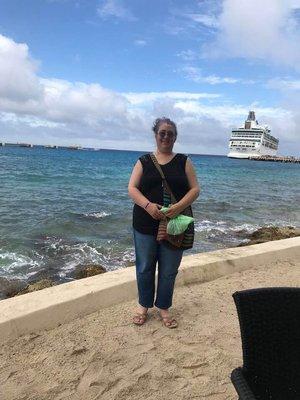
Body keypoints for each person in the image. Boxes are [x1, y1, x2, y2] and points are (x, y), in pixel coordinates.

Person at [128, 117, 200, 328]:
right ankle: (143, 306)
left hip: (175, 224)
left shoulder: (183, 161)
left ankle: (164, 307)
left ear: (175, 137)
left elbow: (195, 189)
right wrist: (149, 206)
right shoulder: (144, 161)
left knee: (169, 270)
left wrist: (177, 208)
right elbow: (132, 188)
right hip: (144, 223)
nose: (166, 136)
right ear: (156, 135)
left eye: (170, 133)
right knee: (144, 268)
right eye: (162, 133)